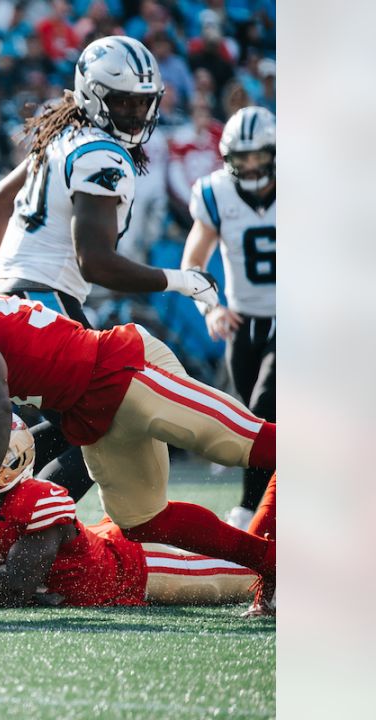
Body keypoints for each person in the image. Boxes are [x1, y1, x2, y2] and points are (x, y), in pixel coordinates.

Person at [0, 237, 277, 615]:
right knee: (142, 520)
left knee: (246, 446)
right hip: (89, 412)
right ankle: (273, 563)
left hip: (119, 370)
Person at [0, 36, 220, 506]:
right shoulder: (101, 156)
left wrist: (10, 277)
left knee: (74, 423)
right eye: (123, 101)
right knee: (105, 421)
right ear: (92, 95)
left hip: (14, 298)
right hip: (48, 303)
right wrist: (181, 280)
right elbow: (97, 262)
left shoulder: (64, 137)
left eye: (143, 102)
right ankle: (21, 525)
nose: (135, 114)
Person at [0, 410, 263, 611]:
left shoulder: (35, 500)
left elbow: (16, 591)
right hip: (93, 567)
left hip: (134, 572)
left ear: (11, 458)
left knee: (246, 574)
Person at [181, 106, 276, 531]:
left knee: (264, 408)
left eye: (260, 155)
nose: (253, 165)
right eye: (244, 157)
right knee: (255, 423)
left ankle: (247, 511)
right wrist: (211, 307)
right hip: (245, 323)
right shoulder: (216, 193)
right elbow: (193, 260)